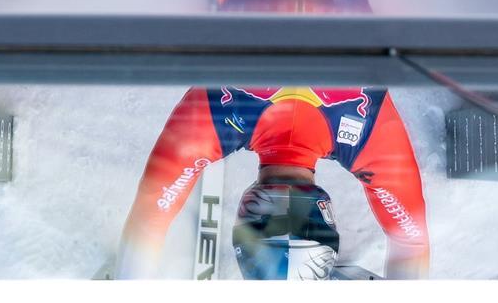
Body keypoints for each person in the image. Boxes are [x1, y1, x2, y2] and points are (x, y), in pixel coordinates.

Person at [115, 85, 430, 280]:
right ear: (243, 211)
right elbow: (148, 224)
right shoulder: (205, 126)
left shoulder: (371, 141)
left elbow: (412, 241)